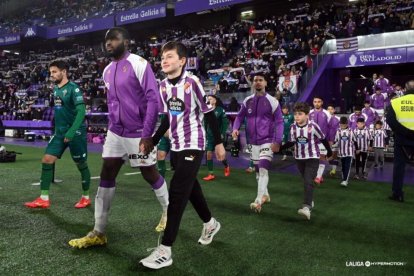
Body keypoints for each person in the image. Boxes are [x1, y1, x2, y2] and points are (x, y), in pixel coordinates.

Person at [68, 27, 169, 249]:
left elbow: (153, 101)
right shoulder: (106, 71)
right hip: (115, 132)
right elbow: (114, 101)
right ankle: (99, 231)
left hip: (138, 133)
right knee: (107, 172)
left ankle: (168, 211)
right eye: (106, 40)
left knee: (149, 173)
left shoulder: (139, 64)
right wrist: (113, 126)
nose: (109, 43)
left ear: (126, 41)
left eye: (114, 39)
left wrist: (147, 134)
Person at [140, 41, 226, 269]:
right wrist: (154, 140)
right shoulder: (163, 86)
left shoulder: (193, 83)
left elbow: (209, 114)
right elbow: (168, 117)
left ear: (182, 61)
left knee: (177, 192)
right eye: (162, 58)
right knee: (191, 189)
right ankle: (210, 223)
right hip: (176, 146)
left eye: (169, 57)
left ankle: (165, 250)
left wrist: (218, 142)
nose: (164, 61)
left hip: (194, 145)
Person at [24, 59, 91, 209]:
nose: (51, 75)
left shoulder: (74, 89)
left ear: (64, 72)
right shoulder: (55, 89)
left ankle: (86, 197)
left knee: (81, 165)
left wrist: (72, 131)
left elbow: (81, 111)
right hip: (60, 133)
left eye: (54, 72)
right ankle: (43, 198)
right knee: (47, 159)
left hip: (75, 133)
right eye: (50, 72)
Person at [232, 72, 283, 213]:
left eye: (261, 80)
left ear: (266, 83)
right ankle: (265, 194)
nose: (258, 82)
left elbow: (279, 122)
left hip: (268, 140)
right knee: (257, 171)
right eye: (255, 80)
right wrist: (235, 128)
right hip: (253, 141)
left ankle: (258, 200)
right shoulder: (247, 100)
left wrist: (277, 140)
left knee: (263, 169)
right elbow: (239, 116)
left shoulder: (273, 101)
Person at [279, 102, 332, 220]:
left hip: (312, 157)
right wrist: (280, 148)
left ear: (307, 115)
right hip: (299, 158)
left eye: (300, 114)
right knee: (307, 181)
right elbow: (292, 142)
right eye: (296, 114)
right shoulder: (293, 127)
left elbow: (323, 139)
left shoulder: (313, 126)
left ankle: (306, 207)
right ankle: (310, 200)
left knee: (308, 180)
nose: (297, 116)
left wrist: (329, 152)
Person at [386, 80, 414, 202]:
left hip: (401, 140)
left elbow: (390, 121)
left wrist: (406, 132)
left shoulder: (396, 102)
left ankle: (397, 194)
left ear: (405, 89)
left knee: (399, 168)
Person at [203, 95, 230, 181]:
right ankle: (211, 174)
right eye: (208, 99)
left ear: (215, 101)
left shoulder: (220, 110)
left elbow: (225, 122)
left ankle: (226, 166)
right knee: (209, 154)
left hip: (218, 136)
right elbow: (205, 123)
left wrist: (222, 133)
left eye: (210, 99)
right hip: (209, 136)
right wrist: (205, 133)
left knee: (219, 155)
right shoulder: (206, 110)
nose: (209, 100)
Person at [309, 96, 333, 184]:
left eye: (319, 101)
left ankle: (318, 177)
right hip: (311, 140)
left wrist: (330, 139)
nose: (317, 103)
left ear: (322, 103)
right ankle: (319, 175)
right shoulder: (309, 113)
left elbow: (330, 128)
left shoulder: (327, 113)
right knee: (314, 159)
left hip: (323, 140)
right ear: (313, 102)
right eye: (315, 101)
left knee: (322, 157)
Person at [334, 117, 359, 187]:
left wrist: (357, 149)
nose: (342, 126)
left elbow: (355, 140)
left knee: (347, 166)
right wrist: (333, 145)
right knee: (343, 166)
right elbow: (336, 140)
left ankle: (345, 180)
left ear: (347, 124)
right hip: (341, 152)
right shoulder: (338, 131)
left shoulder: (351, 131)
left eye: (344, 125)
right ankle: (343, 178)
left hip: (349, 152)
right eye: (341, 125)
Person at [326, 103, 340, 176]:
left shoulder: (338, 119)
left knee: (334, 155)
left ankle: (334, 170)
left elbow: (339, 130)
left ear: (334, 110)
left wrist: (336, 139)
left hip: (334, 140)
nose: (330, 110)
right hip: (325, 140)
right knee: (326, 155)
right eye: (328, 109)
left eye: (331, 109)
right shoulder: (324, 118)